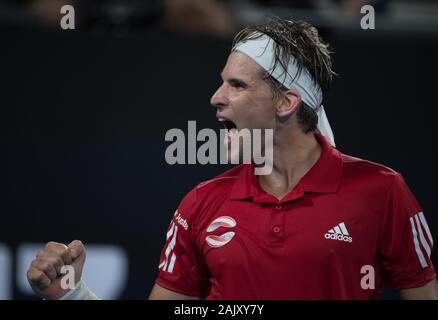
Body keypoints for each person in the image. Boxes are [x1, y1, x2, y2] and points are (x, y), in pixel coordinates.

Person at [27, 17, 437, 300]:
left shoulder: (383, 191)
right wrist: (72, 293)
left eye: (236, 85)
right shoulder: (200, 204)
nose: (216, 98)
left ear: (286, 102)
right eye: (222, 83)